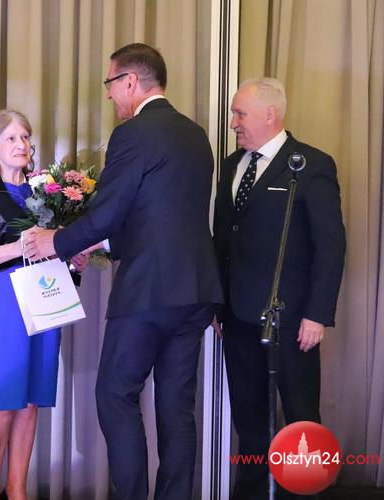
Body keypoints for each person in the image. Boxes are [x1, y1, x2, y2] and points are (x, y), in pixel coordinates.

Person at [24, 43, 223, 499]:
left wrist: (56, 241)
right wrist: (99, 242)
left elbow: (109, 212)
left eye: (111, 83)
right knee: (176, 409)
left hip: (149, 292)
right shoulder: (196, 135)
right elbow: (160, 216)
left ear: (130, 81)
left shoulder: (133, 133)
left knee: (115, 395)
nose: (110, 94)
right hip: (195, 291)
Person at [212, 78, 346, 499]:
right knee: (250, 420)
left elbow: (330, 245)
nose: (233, 122)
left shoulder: (310, 165)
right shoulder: (232, 166)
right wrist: (218, 306)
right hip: (237, 318)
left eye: (240, 113)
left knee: (301, 419)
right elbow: (224, 239)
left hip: (291, 320)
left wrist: (317, 314)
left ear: (270, 114)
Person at [0, 110, 88, 499]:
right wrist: (21, 246)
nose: (21, 145)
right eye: (11, 138)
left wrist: (71, 257)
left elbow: (53, 249)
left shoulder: (44, 190)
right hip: (1, 301)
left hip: (44, 299)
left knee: (30, 402)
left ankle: (17, 490)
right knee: (3, 402)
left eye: (26, 137)